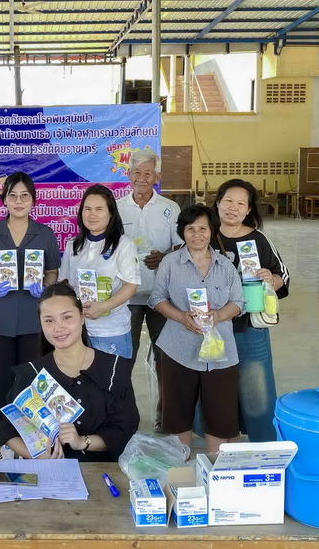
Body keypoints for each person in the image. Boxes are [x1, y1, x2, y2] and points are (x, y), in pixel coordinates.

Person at [0, 285, 139, 549]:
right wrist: (35, 455)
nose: (58, 327)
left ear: (82, 318)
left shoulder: (114, 369)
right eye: (49, 320)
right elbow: (6, 431)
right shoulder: (32, 374)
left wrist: (82, 442)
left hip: (101, 484)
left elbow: (124, 429)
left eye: (66, 317)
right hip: (47, 484)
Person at [0, 172, 60, 439]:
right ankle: (4, 439)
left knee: (32, 382)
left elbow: (52, 271)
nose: (19, 201)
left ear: (33, 201)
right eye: (13, 196)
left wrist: (45, 285)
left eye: (24, 196)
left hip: (34, 320)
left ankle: (34, 439)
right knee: (1, 381)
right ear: (4, 200)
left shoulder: (45, 234)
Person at [148, 205, 244, 454]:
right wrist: (181, 317)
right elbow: (156, 298)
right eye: (190, 229)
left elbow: (238, 302)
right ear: (182, 232)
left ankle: (214, 467)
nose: (197, 234)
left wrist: (219, 315)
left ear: (212, 232)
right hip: (178, 348)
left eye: (203, 228)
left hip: (221, 352)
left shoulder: (225, 266)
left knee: (221, 415)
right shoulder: (170, 263)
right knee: (177, 414)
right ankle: (181, 467)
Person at [214, 179, 289, 442]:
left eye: (240, 204)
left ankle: (263, 443)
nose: (233, 208)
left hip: (249, 327)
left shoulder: (258, 239)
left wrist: (270, 278)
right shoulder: (203, 234)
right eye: (228, 201)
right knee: (213, 387)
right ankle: (217, 440)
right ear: (218, 203)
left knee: (257, 387)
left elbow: (283, 277)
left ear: (248, 210)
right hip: (210, 327)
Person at [116, 150, 181, 430]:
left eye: (148, 173)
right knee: (123, 357)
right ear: (128, 175)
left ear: (157, 177)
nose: (142, 178)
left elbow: (183, 246)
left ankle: (165, 416)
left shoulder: (170, 208)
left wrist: (164, 257)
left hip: (162, 295)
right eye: (137, 172)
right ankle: (122, 416)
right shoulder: (116, 208)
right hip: (125, 296)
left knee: (165, 358)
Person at [59, 184, 140, 357]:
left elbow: (130, 285)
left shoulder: (123, 244)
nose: (92, 214)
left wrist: (104, 307)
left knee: (110, 375)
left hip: (111, 331)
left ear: (110, 213)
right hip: (78, 331)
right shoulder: (73, 245)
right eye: (87, 209)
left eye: (99, 209)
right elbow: (64, 282)